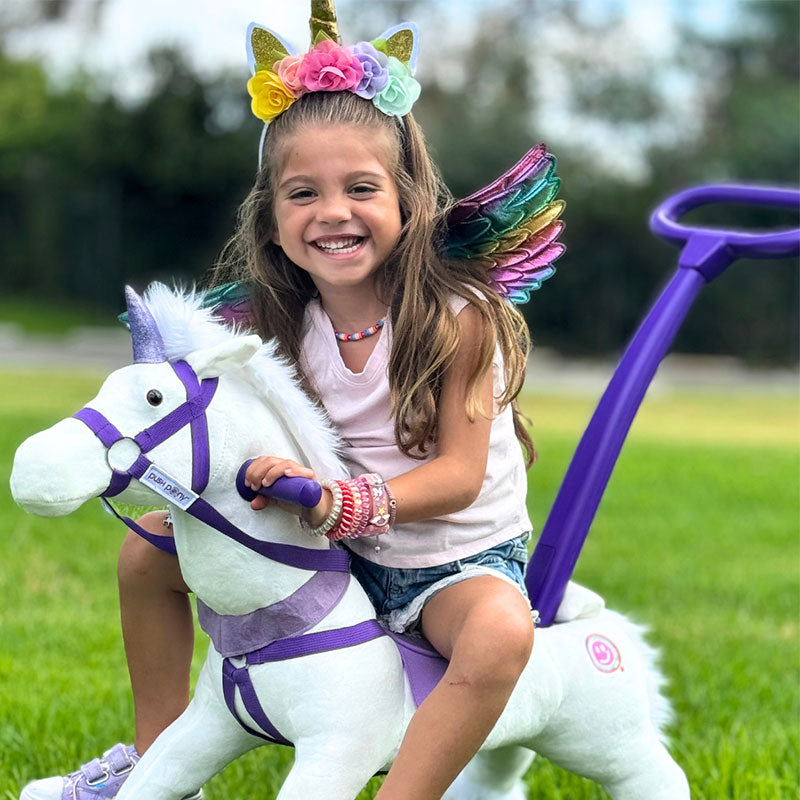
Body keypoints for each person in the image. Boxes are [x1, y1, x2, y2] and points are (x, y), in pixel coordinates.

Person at [21, 6, 548, 799]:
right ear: (272, 215)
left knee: (501, 636)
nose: (332, 212)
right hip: (328, 542)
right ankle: (158, 762)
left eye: (361, 188)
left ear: (408, 196)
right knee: (147, 556)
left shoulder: (458, 321)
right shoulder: (277, 325)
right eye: (303, 193)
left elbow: (460, 478)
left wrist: (345, 501)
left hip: (449, 560)